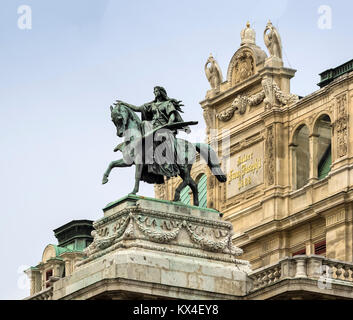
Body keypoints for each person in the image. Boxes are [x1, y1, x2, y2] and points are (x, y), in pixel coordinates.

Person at [116, 86, 190, 179]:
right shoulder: (152, 105)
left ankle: (169, 164)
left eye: (156, 91)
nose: (155, 92)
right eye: (154, 91)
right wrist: (124, 104)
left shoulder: (168, 104)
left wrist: (169, 124)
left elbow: (172, 116)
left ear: (161, 92)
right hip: (153, 128)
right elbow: (137, 108)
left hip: (165, 129)